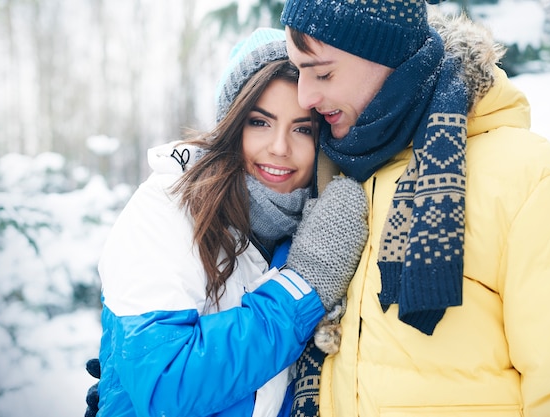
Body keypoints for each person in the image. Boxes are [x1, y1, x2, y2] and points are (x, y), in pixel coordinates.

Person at [279, 0, 550, 416]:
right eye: (299, 72)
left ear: (390, 57)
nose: (305, 96)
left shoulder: (540, 185)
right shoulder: (338, 182)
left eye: (323, 72)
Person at [89, 27, 368, 417]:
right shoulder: (167, 209)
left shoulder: (310, 230)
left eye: (302, 128)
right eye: (260, 122)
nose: (280, 147)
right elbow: (169, 385)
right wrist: (303, 286)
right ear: (231, 126)